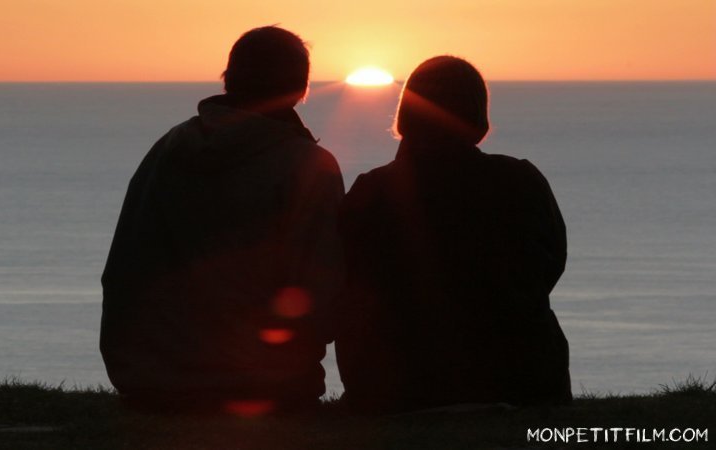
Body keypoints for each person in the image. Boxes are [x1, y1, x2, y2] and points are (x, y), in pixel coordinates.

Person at [100, 26, 344, 413]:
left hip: (149, 381)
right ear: (301, 89)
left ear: (228, 78)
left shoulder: (167, 149)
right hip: (265, 384)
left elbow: (123, 267)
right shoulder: (308, 166)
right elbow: (322, 294)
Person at [335, 56, 571, 413]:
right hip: (519, 378)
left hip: (397, 385)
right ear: (477, 118)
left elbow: (345, 280)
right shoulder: (521, 181)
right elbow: (550, 264)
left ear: (406, 116)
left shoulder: (372, 190)